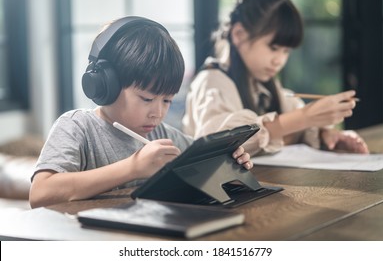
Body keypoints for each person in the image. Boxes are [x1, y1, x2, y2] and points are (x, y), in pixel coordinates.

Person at [29, 16, 252, 208]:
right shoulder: (77, 127)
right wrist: (133, 167)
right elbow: (40, 194)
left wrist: (228, 163)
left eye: (167, 100)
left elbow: (201, 164)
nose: (157, 113)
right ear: (106, 85)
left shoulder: (163, 135)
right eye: (146, 98)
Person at [183, 0, 369, 156]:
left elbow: (290, 115)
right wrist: (304, 117)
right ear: (239, 34)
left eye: (286, 51)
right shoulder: (212, 81)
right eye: (273, 48)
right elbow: (215, 141)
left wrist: (326, 135)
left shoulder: (261, 81)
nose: (279, 60)